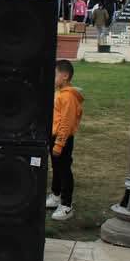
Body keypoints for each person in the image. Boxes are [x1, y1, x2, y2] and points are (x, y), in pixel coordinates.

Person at [47, 59, 84, 222]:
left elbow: (66, 123)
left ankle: (66, 205)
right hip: (54, 137)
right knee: (56, 168)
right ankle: (56, 195)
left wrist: (59, 144)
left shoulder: (68, 97)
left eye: (55, 74)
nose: (52, 78)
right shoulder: (60, 93)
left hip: (63, 140)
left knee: (64, 170)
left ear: (65, 76)